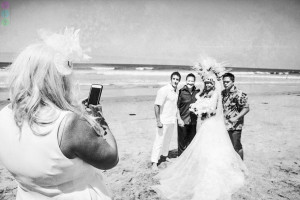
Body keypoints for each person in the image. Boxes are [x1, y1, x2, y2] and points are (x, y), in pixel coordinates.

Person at [0, 28, 118, 200]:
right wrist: (100, 119)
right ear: (57, 79)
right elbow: (110, 158)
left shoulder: (3, 115)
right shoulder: (69, 124)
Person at [152, 58, 247, 200]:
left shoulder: (216, 94)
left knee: (218, 147)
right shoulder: (201, 92)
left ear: (213, 83)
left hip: (212, 124)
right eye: (206, 82)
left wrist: (203, 110)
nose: (208, 84)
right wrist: (198, 109)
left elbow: (214, 109)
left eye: (209, 82)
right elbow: (197, 100)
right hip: (204, 124)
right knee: (202, 147)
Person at [151, 72, 184, 170]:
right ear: (171, 79)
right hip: (163, 120)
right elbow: (156, 105)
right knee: (159, 141)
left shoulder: (176, 91)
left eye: (177, 79)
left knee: (167, 140)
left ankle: (164, 157)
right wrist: (158, 121)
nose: (175, 81)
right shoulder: (164, 90)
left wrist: (177, 118)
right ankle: (154, 162)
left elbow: (175, 106)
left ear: (179, 81)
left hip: (171, 120)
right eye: (174, 79)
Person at [222, 72, 250, 160]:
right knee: (227, 146)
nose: (225, 84)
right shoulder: (223, 93)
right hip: (225, 124)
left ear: (233, 82)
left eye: (227, 82)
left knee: (236, 146)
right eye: (224, 82)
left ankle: (241, 165)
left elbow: (246, 108)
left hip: (236, 126)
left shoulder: (240, 94)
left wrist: (236, 118)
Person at [177, 73, 200, 156]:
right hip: (183, 121)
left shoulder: (197, 92)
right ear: (186, 81)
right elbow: (176, 107)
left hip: (193, 121)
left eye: (192, 81)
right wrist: (179, 119)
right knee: (182, 142)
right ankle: (181, 159)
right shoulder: (181, 92)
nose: (190, 82)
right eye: (189, 81)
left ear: (194, 82)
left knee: (192, 142)